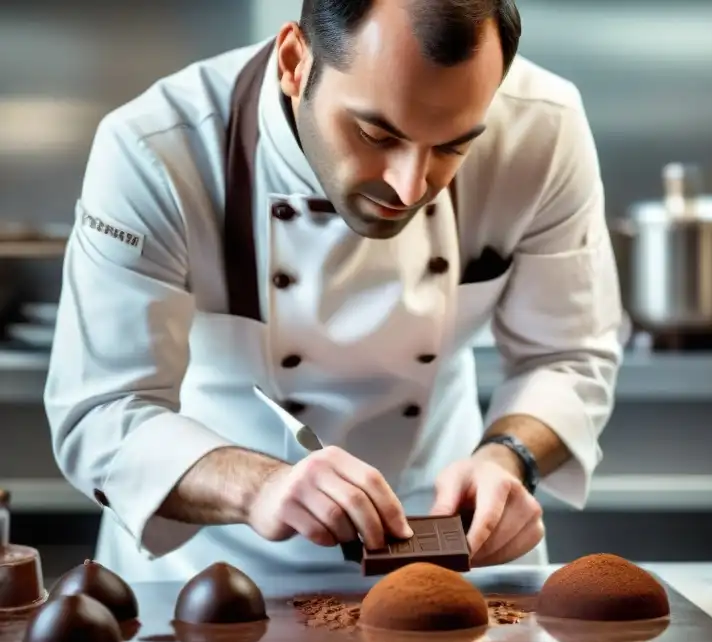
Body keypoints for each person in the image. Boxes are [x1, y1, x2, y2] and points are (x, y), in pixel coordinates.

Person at [43, 0, 623, 582]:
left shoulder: (542, 125)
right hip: (212, 566)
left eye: (452, 147)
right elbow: (101, 411)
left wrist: (508, 458)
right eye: (376, 133)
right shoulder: (156, 148)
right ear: (295, 62)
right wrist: (263, 487)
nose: (410, 185)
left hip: (453, 551)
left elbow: (567, 356)